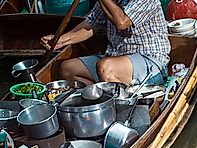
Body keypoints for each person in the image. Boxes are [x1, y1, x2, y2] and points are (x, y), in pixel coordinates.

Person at [42, 0, 170, 86]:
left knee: (106, 67)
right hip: (115, 58)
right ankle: (103, 96)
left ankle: (119, 104)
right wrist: (59, 41)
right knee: (67, 69)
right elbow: (91, 24)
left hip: (150, 62)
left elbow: (122, 22)